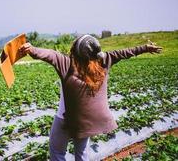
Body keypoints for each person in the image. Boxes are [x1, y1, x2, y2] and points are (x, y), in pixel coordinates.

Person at [19, 35, 162, 161]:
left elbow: (50, 54)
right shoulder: (103, 61)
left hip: (65, 120)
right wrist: (145, 48)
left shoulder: (67, 63)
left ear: (76, 51)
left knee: (56, 151)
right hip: (86, 123)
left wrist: (32, 49)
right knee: (81, 154)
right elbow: (124, 53)